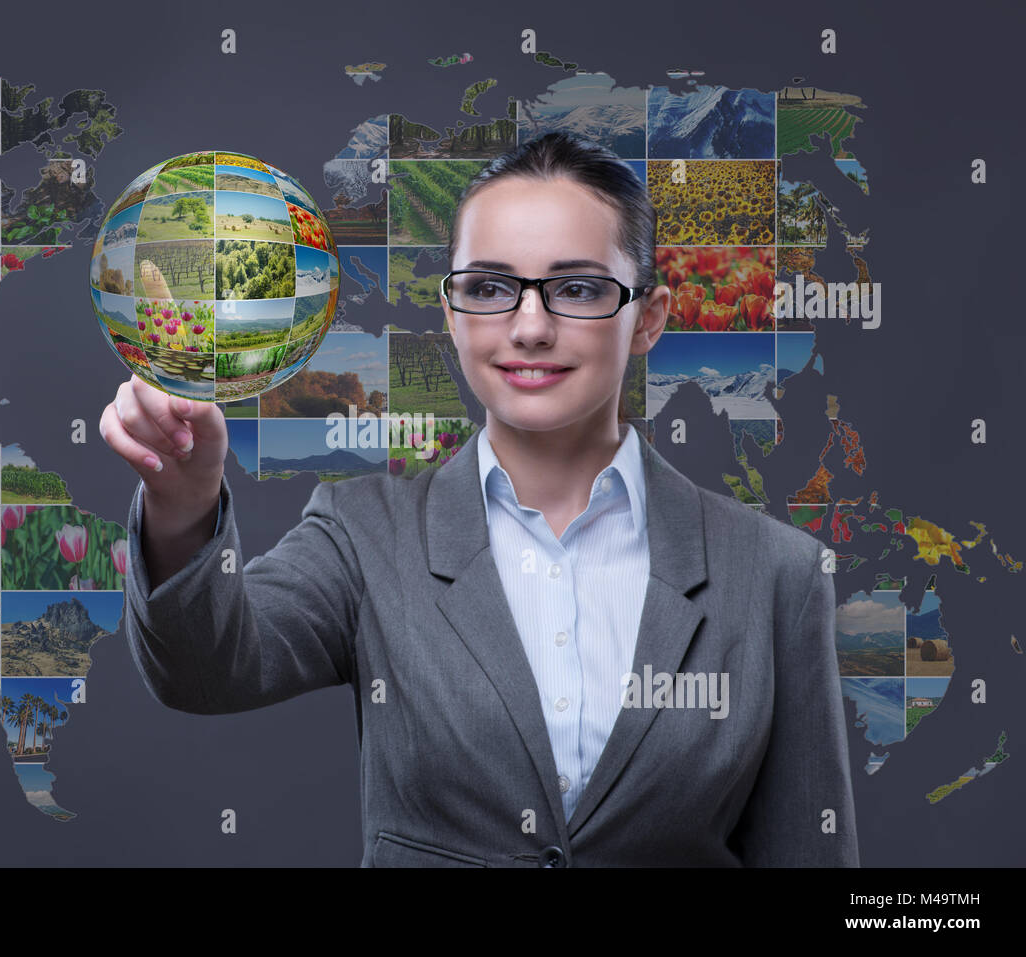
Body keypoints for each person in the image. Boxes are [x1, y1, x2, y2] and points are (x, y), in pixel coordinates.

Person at [100, 131, 859, 867]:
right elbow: (204, 668)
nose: (530, 326)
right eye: (491, 288)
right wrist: (184, 500)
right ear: (453, 312)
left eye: (578, 288)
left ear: (648, 318)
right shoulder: (363, 536)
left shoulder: (776, 575)